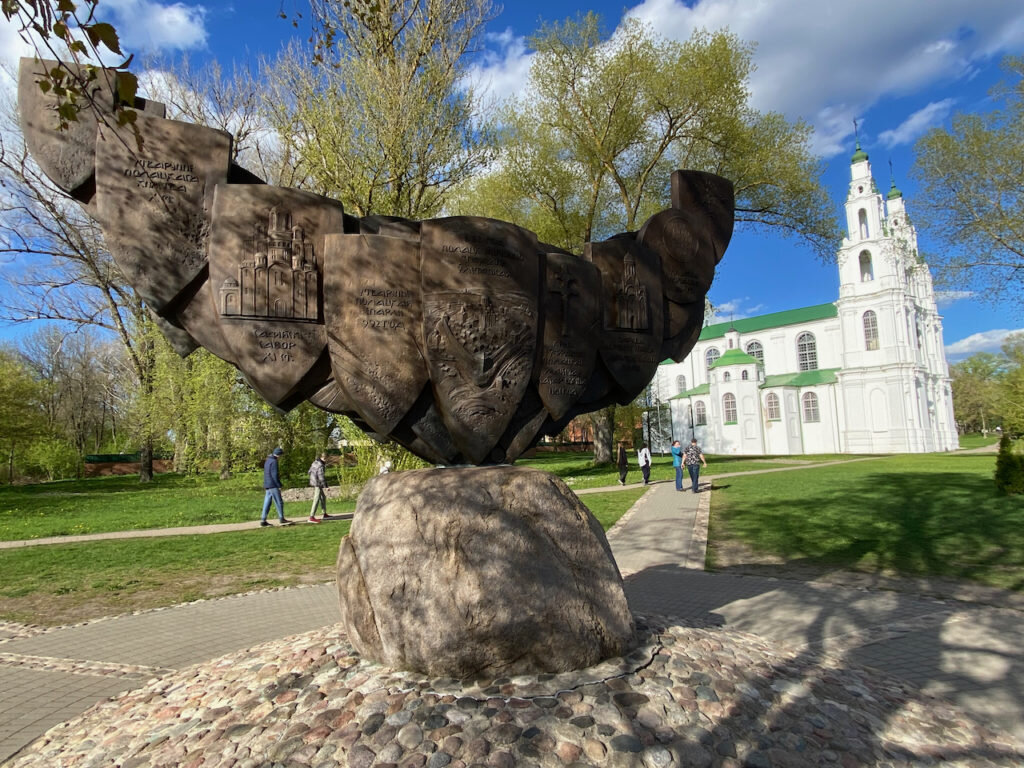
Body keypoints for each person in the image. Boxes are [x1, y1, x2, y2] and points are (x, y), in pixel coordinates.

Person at [260, 447, 292, 526]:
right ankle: (281, 518)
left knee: (267, 502)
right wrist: (279, 485)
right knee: (279, 502)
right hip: (273, 484)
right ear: (278, 455)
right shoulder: (274, 462)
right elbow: (274, 475)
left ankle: (263, 520)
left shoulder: (267, 460)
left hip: (267, 484)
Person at [308, 452, 329, 523]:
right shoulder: (320, 465)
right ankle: (311, 517)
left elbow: (309, 471)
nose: (326, 460)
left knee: (323, 497)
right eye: (326, 459)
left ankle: (324, 513)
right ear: (324, 458)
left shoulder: (315, 462)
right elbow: (321, 477)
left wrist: (312, 478)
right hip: (317, 483)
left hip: (314, 481)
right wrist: (325, 486)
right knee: (316, 499)